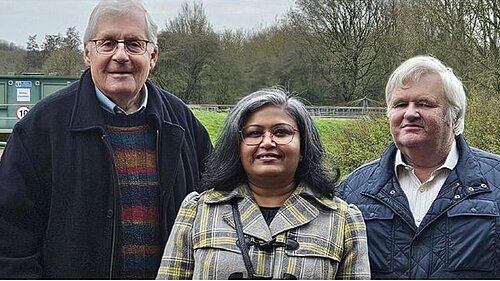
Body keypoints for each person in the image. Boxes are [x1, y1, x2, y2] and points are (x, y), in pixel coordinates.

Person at [0, 0, 212, 279]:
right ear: (88, 54)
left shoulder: (182, 124)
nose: (121, 55)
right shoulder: (40, 128)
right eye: (108, 43)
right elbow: (11, 237)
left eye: (134, 43)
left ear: (153, 55)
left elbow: (216, 207)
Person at [156, 88, 370, 280]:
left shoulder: (343, 220)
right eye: (254, 133)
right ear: (236, 147)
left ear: (304, 146)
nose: (267, 142)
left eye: (281, 132)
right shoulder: (197, 210)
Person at [338, 55, 500, 279]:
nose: (410, 113)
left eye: (424, 104)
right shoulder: (353, 191)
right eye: (400, 104)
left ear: (454, 116)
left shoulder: (495, 183)